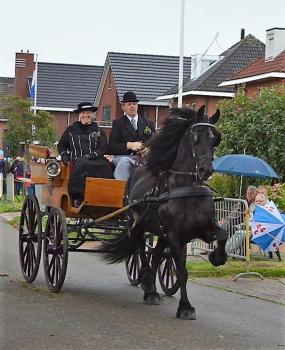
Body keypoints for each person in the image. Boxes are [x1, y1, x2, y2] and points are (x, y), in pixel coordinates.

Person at [57, 102, 113, 207]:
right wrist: (65, 157)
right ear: (79, 114)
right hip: (77, 160)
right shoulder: (70, 130)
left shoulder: (99, 131)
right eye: (83, 113)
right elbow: (61, 146)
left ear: (92, 115)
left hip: (95, 159)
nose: (86, 115)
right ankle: (78, 196)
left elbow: (103, 147)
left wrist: (92, 156)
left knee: (107, 166)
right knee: (82, 164)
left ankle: (107, 196)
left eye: (88, 113)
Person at [108, 91, 155, 180]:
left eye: (134, 104)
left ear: (137, 106)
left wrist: (148, 150)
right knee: (124, 162)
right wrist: (129, 145)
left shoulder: (148, 123)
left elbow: (156, 142)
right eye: (129, 104)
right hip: (123, 157)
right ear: (123, 107)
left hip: (143, 158)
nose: (132, 106)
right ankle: (122, 190)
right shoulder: (118, 123)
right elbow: (111, 147)